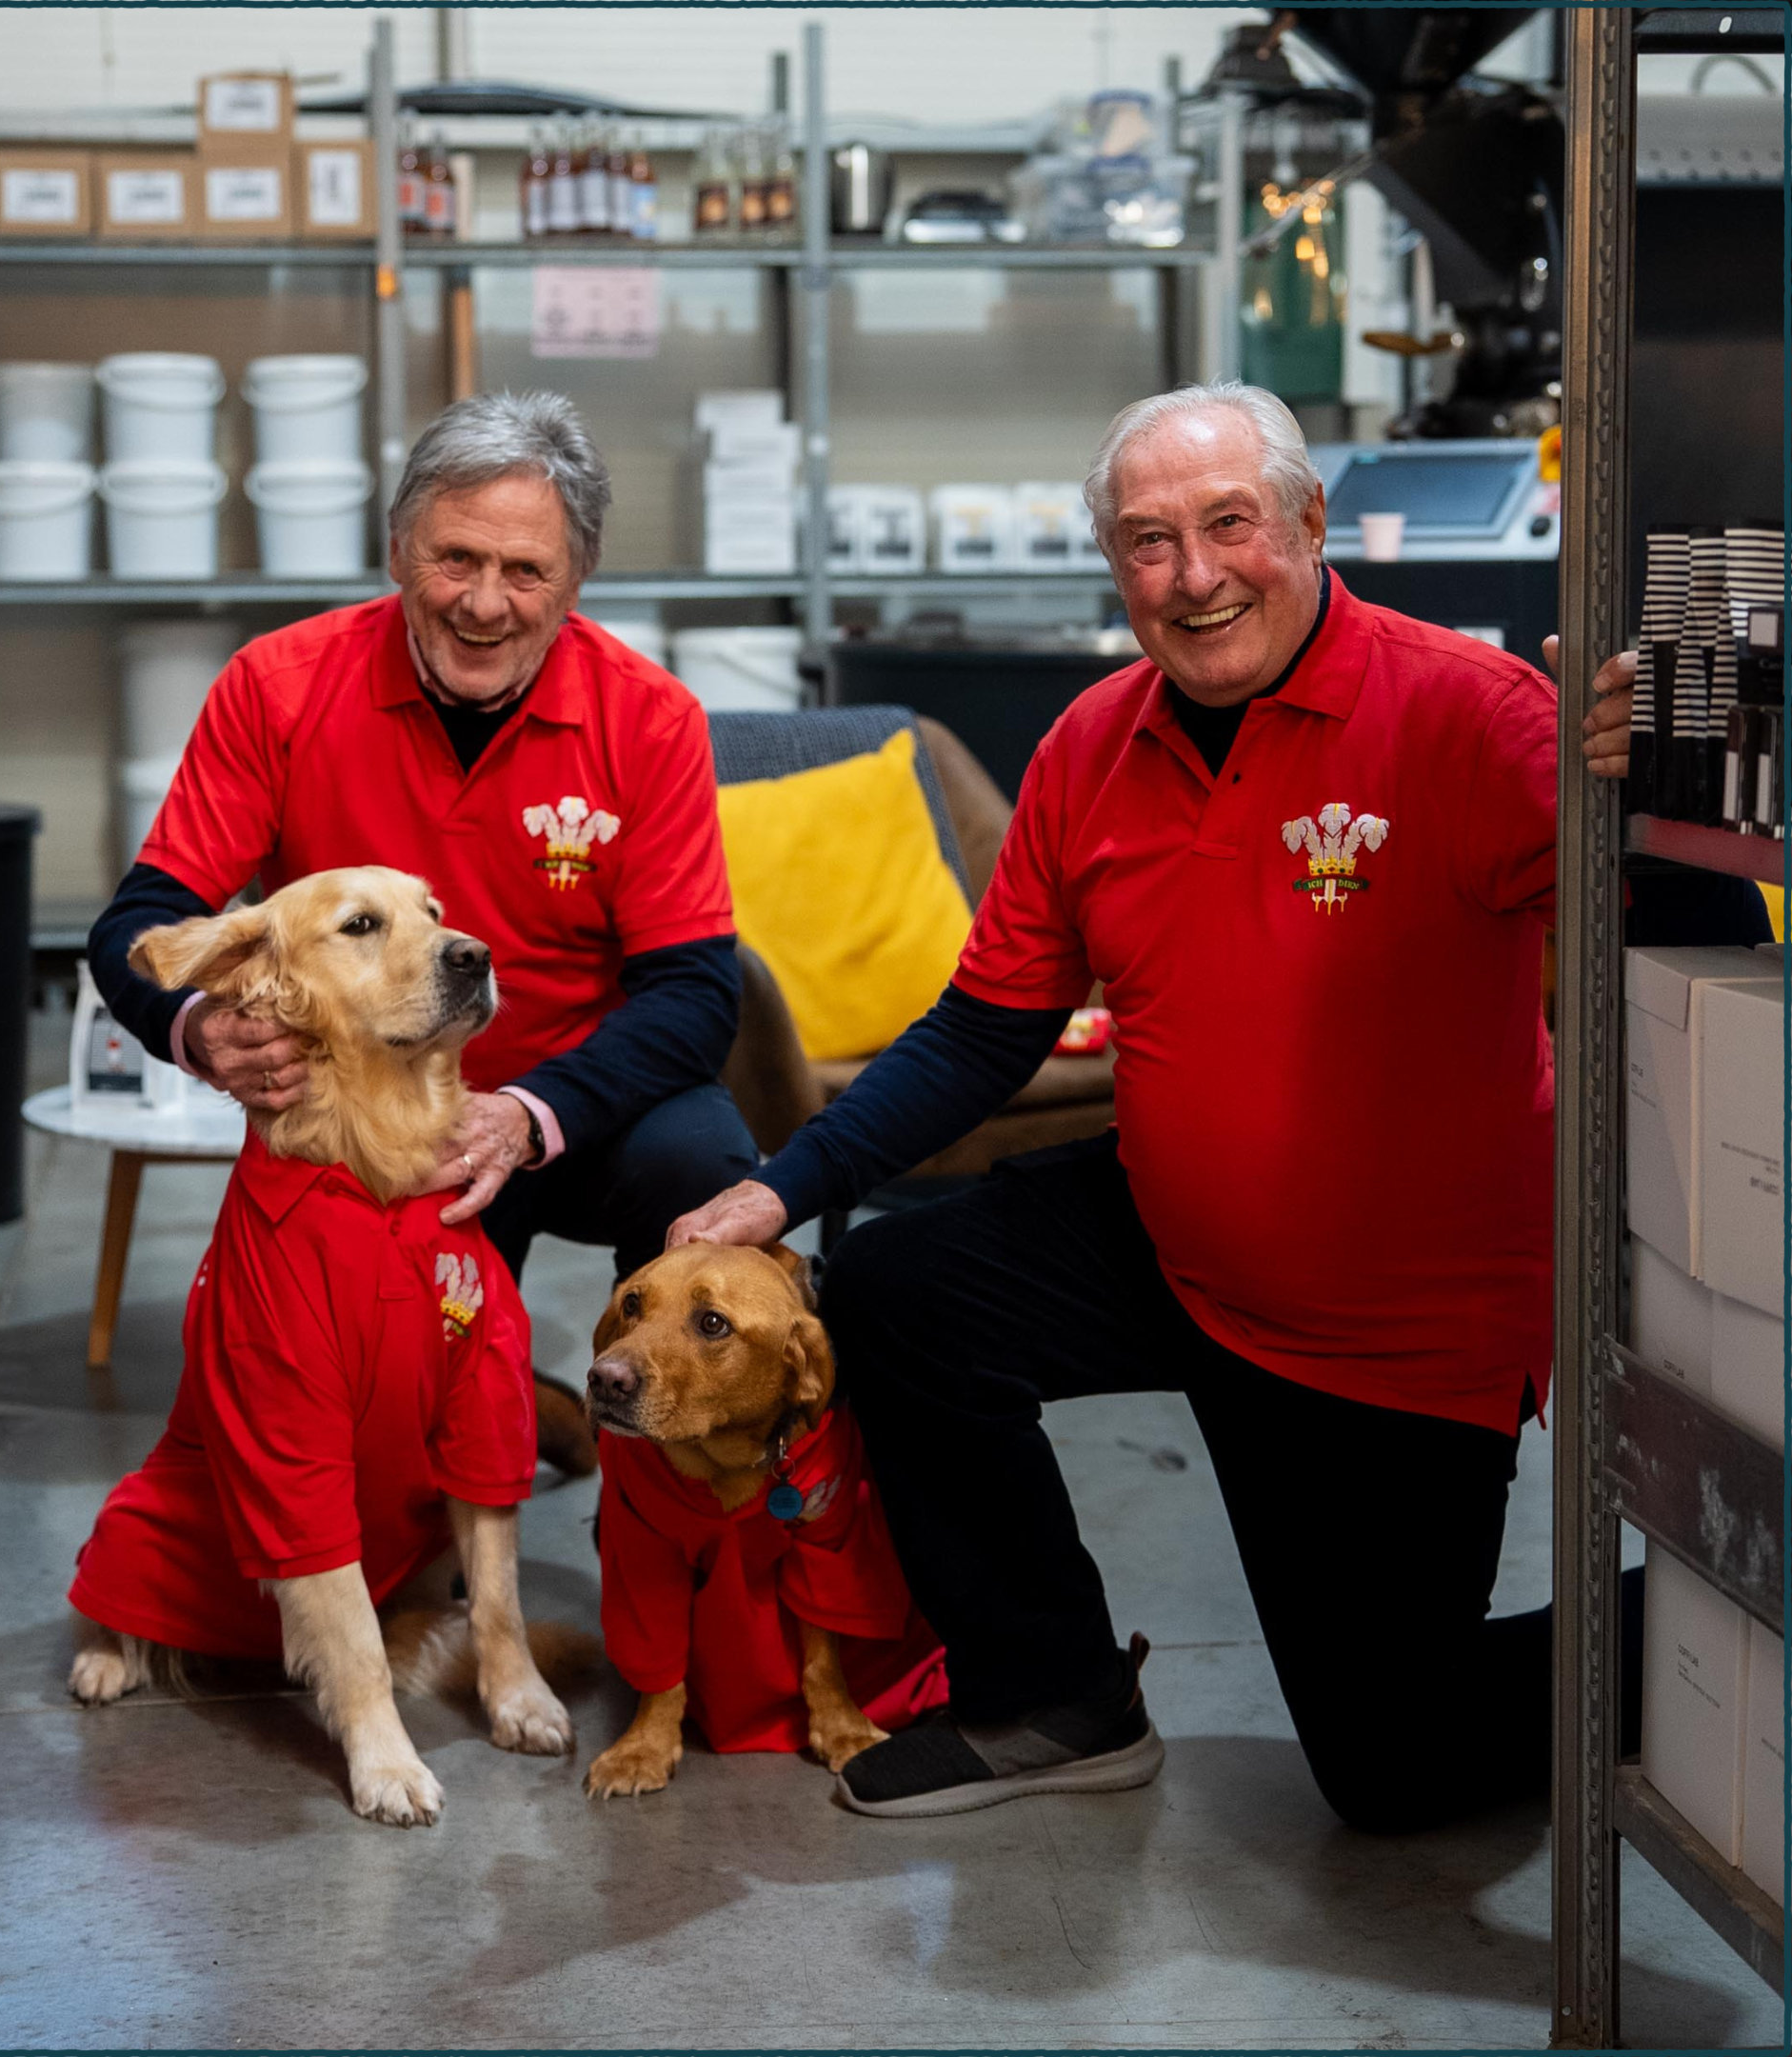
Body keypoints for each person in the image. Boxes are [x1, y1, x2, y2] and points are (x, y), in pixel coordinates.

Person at [670, 380, 1651, 1830]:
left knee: (1399, 1766)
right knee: (894, 1283)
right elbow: (984, 1030)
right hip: (1173, 1247)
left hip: (1396, 1328)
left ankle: (1703, 1646)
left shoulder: (1469, 713)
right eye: (1146, 541)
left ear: (1310, 525)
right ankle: (1055, 1694)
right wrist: (781, 1186)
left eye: (1227, 524)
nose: (1193, 577)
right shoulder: (1090, 746)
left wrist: (1652, 780)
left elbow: (1686, 938)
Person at [89, 391, 758, 1464]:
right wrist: (198, 1033)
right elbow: (143, 920)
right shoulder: (279, 686)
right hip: (375, 1119)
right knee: (391, 1429)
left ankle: (655, 1512)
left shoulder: (650, 716)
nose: (486, 603)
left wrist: (529, 1114)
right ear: (399, 547)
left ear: (575, 580)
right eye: (455, 559)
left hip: (577, 1106)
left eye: (526, 572)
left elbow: (694, 994)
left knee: (703, 1165)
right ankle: (436, 1482)